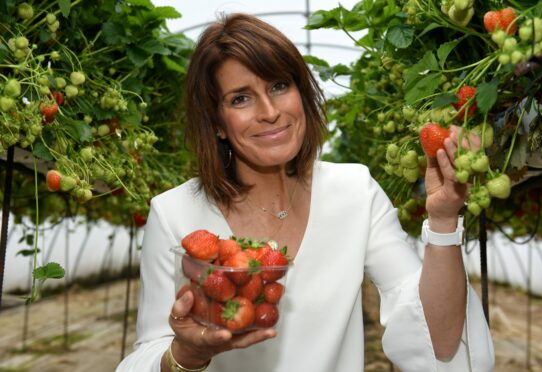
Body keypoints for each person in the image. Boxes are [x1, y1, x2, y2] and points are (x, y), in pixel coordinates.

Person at [117, 13, 494, 372]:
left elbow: (439, 342)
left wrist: (443, 220)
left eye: (279, 86)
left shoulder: (354, 192)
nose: (269, 112)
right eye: (240, 99)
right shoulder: (174, 213)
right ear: (216, 123)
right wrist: (186, 353)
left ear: (302, 91)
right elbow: (147, 353)